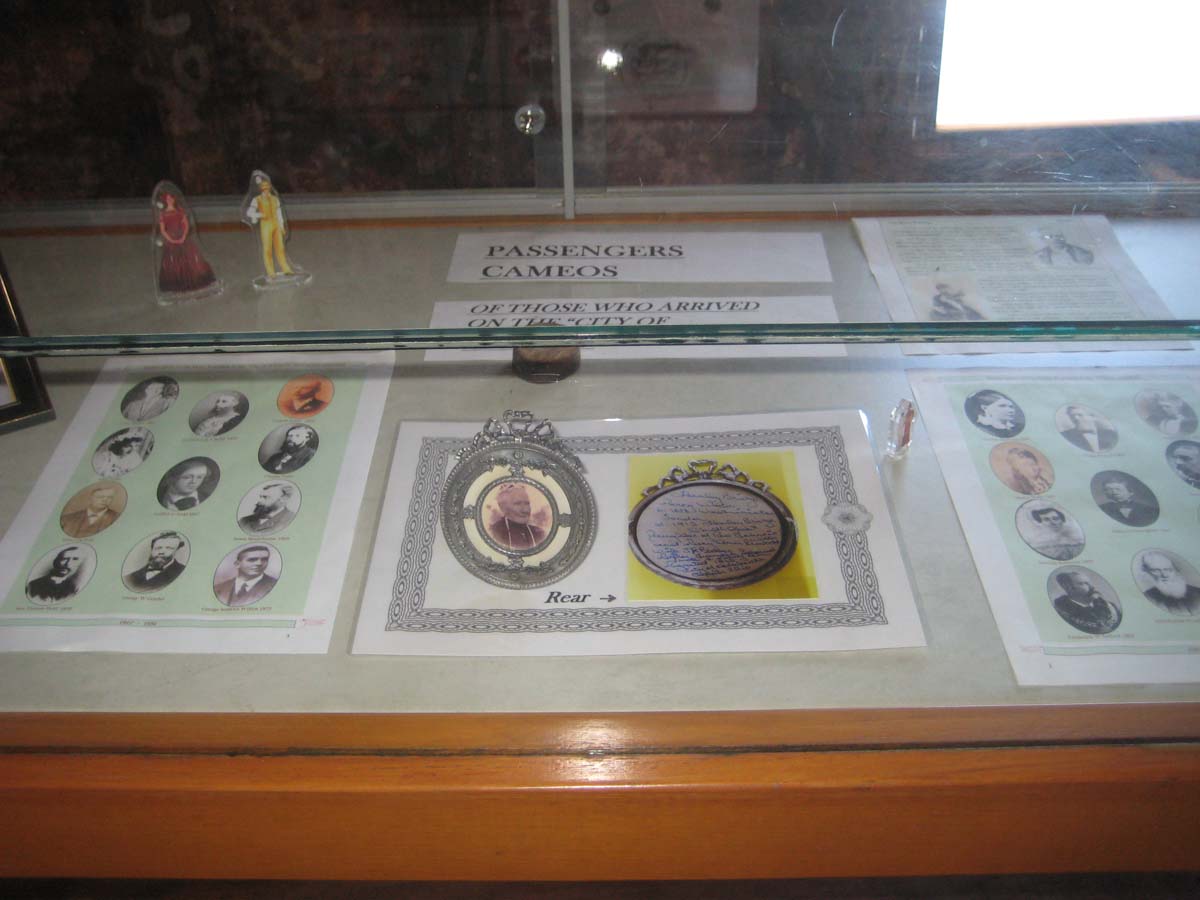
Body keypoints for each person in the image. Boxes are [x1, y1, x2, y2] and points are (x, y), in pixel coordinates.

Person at [152, 182, 221, 298]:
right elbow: (163, 230)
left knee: (190, 257)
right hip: (171, 240)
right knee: (174, 261)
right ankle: (177, 284)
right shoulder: (163, 214)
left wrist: (184, 235)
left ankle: (196, 280)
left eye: (171, 198)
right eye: (168, 199)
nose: (170, 200)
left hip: (182, 237)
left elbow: (185, 224)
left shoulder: (180, 210)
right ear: (165, 201)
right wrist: (170, 239)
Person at [242, 170, 296, 280]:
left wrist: (282, 225)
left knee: (280, 247)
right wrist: (258, 215)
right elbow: (249, 212)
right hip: (266, 224)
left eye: (267, 188)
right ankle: (271, 272)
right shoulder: (257, 199)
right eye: (264, 188)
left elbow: (279, 212)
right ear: (261, 189)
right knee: (267, 249)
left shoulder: (275, 199)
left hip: (276, 223)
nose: (266, 190)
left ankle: (286, 268)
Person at [1050, 570, 1121, 635]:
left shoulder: (1111, 607)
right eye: (1084, 583)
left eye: (1089, 583)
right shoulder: (1062, 611)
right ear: (1068, 587)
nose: (1092, 587)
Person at [486, 483, 547, 550]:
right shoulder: (493, 533)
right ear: (503, 508)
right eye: (517, 504)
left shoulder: (539, 534)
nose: (525, 510)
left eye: (527, 503)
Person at [1138, 551, 1200, 616]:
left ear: (1175, 571)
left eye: (1168, 570)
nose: (1164, 575)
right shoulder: (1147, 596)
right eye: (1156, 570)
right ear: (1147, 572)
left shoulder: (1198, 592)